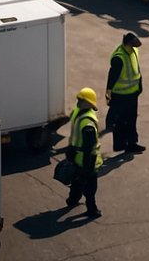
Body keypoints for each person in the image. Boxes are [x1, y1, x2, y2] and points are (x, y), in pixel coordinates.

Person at [65, 87, 103, 218]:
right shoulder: (87, 121)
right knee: (90, 187)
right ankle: (91, 209)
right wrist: (88, 166)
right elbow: (88, 147)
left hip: (77, 156)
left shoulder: (79, 114)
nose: (79, 102)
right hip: (86, 159)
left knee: (77, 181)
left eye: (81, 100)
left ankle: (72, 200)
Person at [106, 32, 145, 154]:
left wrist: (139, 87)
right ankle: (120, 145)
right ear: (126, 44)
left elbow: (137, 69)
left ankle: (132, 143)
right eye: (132, 45)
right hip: (120, 95)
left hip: (133, 94)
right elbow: (112, 76)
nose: (134, 48)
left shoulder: (134, 51)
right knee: (120, 122)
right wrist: (108, 92)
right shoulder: (119, 57)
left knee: (132, 120)